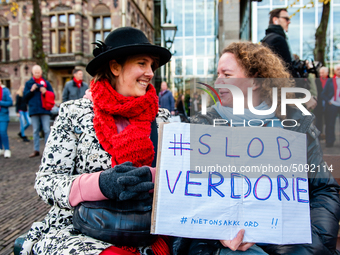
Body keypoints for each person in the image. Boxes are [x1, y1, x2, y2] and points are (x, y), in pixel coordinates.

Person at [176, 42, 340, 255]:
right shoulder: (204, 127)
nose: (217, 82)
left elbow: (323, 190)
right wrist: (218, 233)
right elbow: (189, 198)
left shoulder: (295, 124)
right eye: (217, 74)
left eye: (226, 74)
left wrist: (304, 244)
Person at [21, 27, 172, 255]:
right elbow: (46, 182)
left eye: (153, 65)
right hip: (81, 228)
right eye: (142, 63)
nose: (150, 72)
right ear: (115, 66)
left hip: (145, 228)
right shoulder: (74, 113)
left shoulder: (162, 118)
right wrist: (100, 184)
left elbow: (178, 180)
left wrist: (150, 177)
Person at [23, 65, 54, 158]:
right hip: (34, 110)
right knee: (35, 130)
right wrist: (31, 90)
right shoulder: (28, 83)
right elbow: (24, 97)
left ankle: (48, 149)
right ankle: (36, 150)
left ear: (41, 72)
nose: (37, 74)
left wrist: (45, 92)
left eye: (39, 72)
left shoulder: (46, 83)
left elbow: (52, 95)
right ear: (32, 73)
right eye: (35, 72)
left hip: (45, 110)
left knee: (47, 129)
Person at [262, 8, 293, 74]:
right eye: (286, 19)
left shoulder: (268, 38)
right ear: (275, 20)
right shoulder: (278, 40)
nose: (289, 22)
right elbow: (288, 68)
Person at [321, 64, 340, 147]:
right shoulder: (330, 81)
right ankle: (329, 141)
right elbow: (323, 93)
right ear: (335, 71)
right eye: (338, 69)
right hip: (333, 104)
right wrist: (329, 101)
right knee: (330, 124)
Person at [314, 66, 329, 138]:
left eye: (323, 73)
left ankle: (328, 136)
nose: (321, 74)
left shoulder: (329, 81)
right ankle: (319, 135)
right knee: (318, 121)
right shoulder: (317, 80)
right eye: (320, 73)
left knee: (328, 121)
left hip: (327, 103)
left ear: (327, 73)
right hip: (319, 103)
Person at [0, 80, 13, 158]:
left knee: (2, 131)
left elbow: (10, 102)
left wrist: (0, 102)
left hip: (3, 115)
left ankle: (7, 149)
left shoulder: (5, 90)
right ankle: (0, 148)